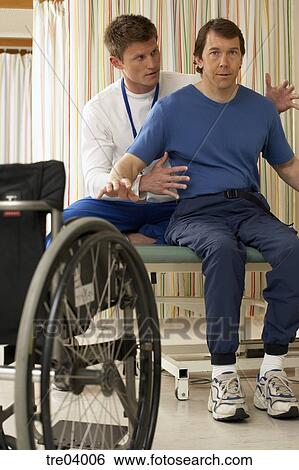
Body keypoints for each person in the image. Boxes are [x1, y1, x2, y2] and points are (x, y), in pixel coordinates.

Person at [99, 18, 299, 423]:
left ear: (241, 57)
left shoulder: (260, 109)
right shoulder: (172, 108)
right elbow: (132, 158)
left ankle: (272, 368)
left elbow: (289, 166)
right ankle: (224, 373)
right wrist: (118, 178)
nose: (224, 62)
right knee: (224, 251)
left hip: (247, 207)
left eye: (232, 52)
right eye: (215, 52)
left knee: (292, 247)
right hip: (194, 211)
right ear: (198, 59)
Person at [64, 14, 299, 245]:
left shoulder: (188, 86)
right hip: (124, 203)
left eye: (154, 52)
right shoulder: (99, 108)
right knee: (64, 225)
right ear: (117, 63)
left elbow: (229, 107)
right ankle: (135, 240)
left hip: (174, 204)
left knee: (204, 222)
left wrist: (266, 109)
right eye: (140, 57)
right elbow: (95, 178)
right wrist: (139, 184)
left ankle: (135, 238)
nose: (152, 63)